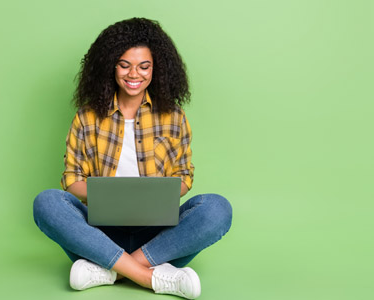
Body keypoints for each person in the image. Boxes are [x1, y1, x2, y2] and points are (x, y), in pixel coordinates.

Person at [32, 18, 232, 299]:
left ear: (156, 68)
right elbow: (71, 180)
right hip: (98, 235)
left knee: (216, 208)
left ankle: (109, 269)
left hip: (159, 239)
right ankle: (151, 277)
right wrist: (109, 196)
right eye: (124, 64)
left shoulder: (173, 116)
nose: (133, 74)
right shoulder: (87, 116)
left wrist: (152, 196)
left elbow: (184, 176)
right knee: (47, 202)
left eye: (144, 66)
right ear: (110, 66)